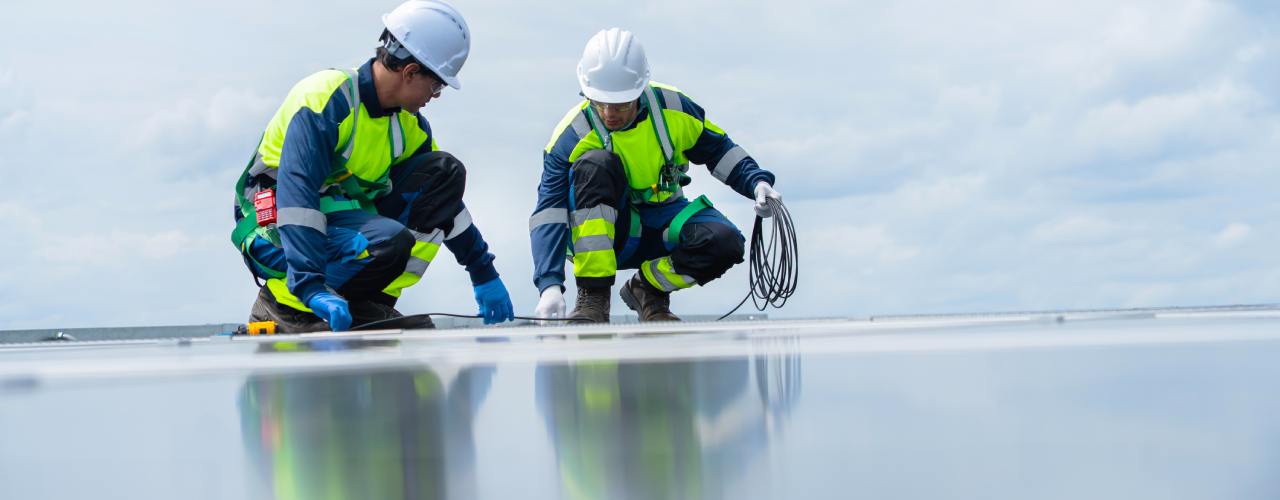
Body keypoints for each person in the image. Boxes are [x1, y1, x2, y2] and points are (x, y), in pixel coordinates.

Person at [230, 0, 514, 332]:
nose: (436, 96)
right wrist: (309, 285)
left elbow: (443, 202)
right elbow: (299, 194)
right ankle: (286, 308)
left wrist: (482, 270)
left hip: (333, 220)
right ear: (410, 72)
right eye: (436, 84)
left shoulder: (408, 127)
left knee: (443, 173)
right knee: (384, 240)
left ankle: (361, 303)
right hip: (274, 224)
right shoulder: (326, 99)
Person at [529, 28, 783, 323]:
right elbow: (549, 211)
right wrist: (549, 285)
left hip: (662, 225)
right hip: (613, 236)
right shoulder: (570, 137)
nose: (610, 113)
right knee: (595, 165)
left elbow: (719, 150)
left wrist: (756, 183)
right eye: (600, 102)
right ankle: (594, 298)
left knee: (724, 243)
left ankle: (647, 289)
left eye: (621, 104)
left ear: (639, 90)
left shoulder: (673, 110)